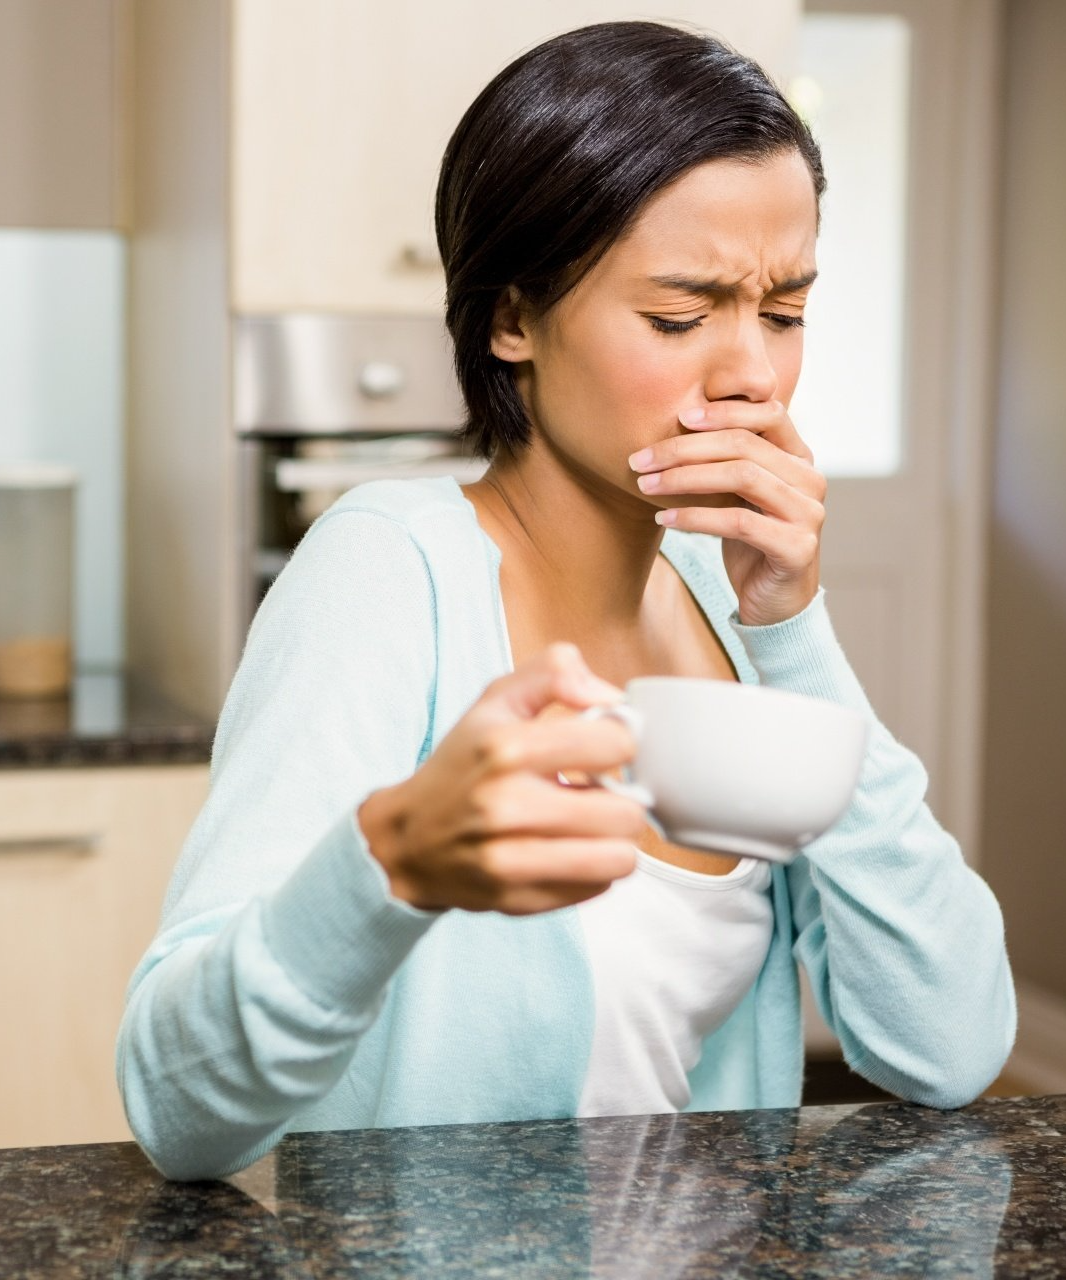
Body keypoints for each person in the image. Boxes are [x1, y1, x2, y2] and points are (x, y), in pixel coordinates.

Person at [115, 20, 1014, 1182]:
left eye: (783, 312)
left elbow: (948, 1043)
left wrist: (793, 627)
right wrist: (384, 864)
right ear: (512, 318)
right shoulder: (385, 573)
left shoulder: (722, 598)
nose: (750, 373)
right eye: (680, 318)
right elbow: (176, 1110)